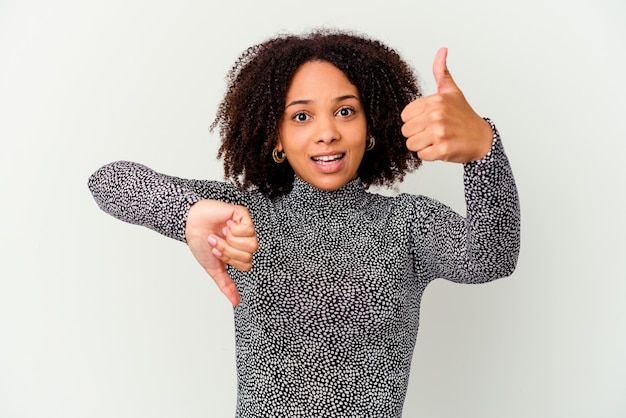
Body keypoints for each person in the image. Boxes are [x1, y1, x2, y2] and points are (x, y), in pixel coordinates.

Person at [88, 29, 520, 417]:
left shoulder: (407, 224)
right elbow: (107, 181)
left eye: (346, 111)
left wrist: (484, 149)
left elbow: (489, 259)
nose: (327, 132)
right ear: (276, 136)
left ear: (371, 124)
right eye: (301, 116)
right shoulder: (242, 216)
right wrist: (186, 212)